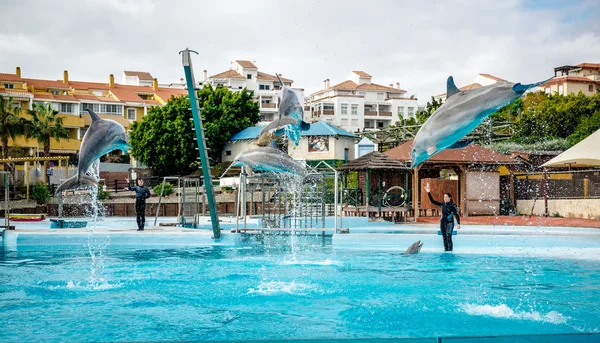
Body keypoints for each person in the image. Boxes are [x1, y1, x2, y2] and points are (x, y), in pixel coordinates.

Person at [425, 182, 461, 251]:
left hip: (450, 222)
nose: (445, 198)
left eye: (446, 197)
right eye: (444, 197)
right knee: (444, 237)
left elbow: (456, 214)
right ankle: (446, 250)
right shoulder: (442, 204)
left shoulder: (453, 205)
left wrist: (458, 223)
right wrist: (428, 192)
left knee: (448, 236)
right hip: (443, 222)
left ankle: (450, 251)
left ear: (450, 198)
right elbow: (432, 201)